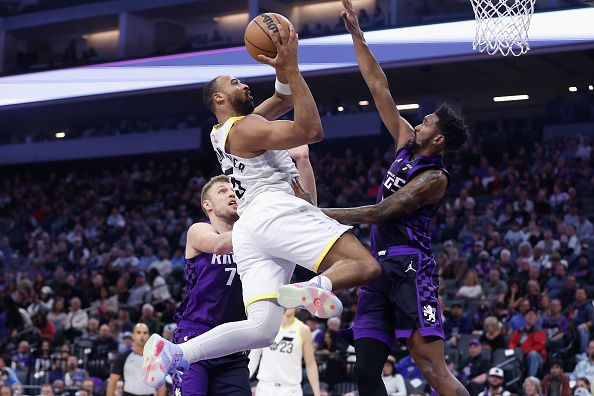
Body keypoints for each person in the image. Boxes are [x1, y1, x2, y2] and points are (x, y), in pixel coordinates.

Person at [143, 16, 382, 388]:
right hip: (276, 211)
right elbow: (311, 131)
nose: (244, 83)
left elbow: (285, 97)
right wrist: (293, 68)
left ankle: (177, 353)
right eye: (234, 82)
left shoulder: (232, 127)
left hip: (253, 230)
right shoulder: (246, 129)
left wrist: (283, 69)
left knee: (261, 330)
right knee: (365, 265)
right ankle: (315, 288)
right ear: (219, 98)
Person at [319, 1, 471, 395]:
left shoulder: (434, 178)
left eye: (426, 123)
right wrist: (357, 34)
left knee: (433, 371)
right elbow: (378, 85)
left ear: (437, 139)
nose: (417, 123)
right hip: (376, 271)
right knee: (367, 372)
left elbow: (382, 211)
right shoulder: (405, 144)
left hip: (410, 270)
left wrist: (318, 213)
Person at [248, 309, 321, 396]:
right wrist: (242, 382)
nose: (288, 305)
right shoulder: (267, 326)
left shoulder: (303, 330)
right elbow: (253, 357)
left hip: (291, 390)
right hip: (265, 388)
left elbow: (310, 363)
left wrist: (317, 393)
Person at [107, 323, 165, 396]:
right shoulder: (123, 357)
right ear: (133, 336)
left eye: (145, 333)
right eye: (138, 332)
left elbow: (161, 385)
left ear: (148, 336)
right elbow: (112, 382)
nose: (142, 335)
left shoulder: (156, 358)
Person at [507, 309, 546, 377]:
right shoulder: (519, 331)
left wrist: (525, 351)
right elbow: (512, 343)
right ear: (525, 318)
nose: (530, 317)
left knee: (532, 354)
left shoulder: (539, 331)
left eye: (533, 315)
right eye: (529, 315)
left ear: (536, 319)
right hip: (518, 353)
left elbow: (540, 346)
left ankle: (531, 379)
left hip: (536, 356)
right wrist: (512, 348)